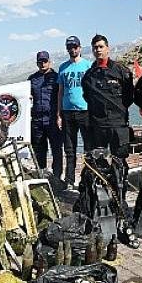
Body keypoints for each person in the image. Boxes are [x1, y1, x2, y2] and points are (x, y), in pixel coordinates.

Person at [81, 34, 134, 163]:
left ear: (107, 48)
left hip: (118, 123)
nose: (98, 50)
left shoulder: (121, 71)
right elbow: (88, 97)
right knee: (99, 163)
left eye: (101, 47)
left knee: (120, 162)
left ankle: (120, 183)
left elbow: (129, 97)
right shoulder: (89, 76)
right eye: (95, 48)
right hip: (98, 125)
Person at [57, 35, 92, 190]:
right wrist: (58, 114)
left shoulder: (88, 65)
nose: (72, 49)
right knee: (69, 149)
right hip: (67, 112)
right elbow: (60, 92)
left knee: (88, 148)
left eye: (75, 47)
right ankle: (70, 180)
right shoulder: (63, 68)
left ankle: (89, 179)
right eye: (70, 47)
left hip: (85, 111)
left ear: (80, 48)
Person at [28, 51, 64, 185]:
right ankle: (41, 177)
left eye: (45, 61)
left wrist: (60, 116)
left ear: (49, 61)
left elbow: (62, 96)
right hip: (37, 121)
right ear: (37, 63)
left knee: (56, 150)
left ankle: (57, 178)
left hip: (53, 120)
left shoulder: (57, 77)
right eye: (40, 61)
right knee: (39, 151)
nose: (42, 63)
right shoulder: (31, 79)